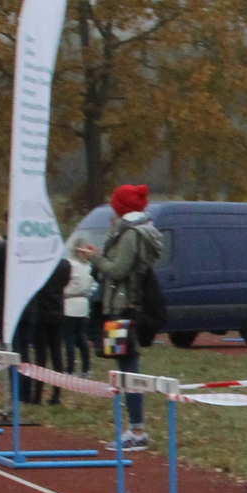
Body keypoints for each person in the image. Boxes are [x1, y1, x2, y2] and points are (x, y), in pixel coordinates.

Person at [94, 184, 164, 450]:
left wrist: (95, 259)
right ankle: (134, 427)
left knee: (128, 369)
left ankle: (137, 430)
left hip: (124, 309)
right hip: (120, 307)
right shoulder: (131, 231)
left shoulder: (130, 234)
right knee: (123, 367)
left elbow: (119, 270)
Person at [29, 255, 71, 406]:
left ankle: (37, 396)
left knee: (41, 356)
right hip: (58, 310)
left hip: (41, 313)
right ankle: (56, 395)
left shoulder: (41, 262)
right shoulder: (65, 264)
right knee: (57, 354)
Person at [64, 240, 96, 377]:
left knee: (69, 338)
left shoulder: (71, 264)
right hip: (83, 304)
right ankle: (86, 368)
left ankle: (70, 369)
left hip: (69, 303)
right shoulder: (88, 266)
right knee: (81, 337)